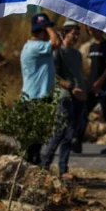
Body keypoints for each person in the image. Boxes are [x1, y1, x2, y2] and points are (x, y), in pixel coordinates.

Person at [41, 21, 86, 175]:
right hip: (64, 96)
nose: (76, 37)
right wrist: (71, 87)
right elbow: (54, 75)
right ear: (65, 33)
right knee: (60, 131)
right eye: (73, 33)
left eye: (78, 34)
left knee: (69, 134)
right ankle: (44, 164)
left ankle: (63, 168)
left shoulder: (77, 54)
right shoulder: (58, 52)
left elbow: (79, 74)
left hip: (78, 97)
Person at [21, 13, 61, 164]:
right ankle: (31, 163)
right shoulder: (36, 47)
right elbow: (56, 43)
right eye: (46, 31)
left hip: (38, 96)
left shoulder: (36, 47)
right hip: (35, 97)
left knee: (38, 136)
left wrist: (48, 28)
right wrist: (49, 27)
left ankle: (34, 162)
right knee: (34, 136)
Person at [84, 27, 106, 155]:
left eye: (94, 29)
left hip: (104, 87)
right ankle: (77, 141)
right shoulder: (92, 47)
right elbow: (92, 67)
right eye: (89, 30)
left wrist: (100, 82)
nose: (92, 31)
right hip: (91, 87)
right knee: (83, 112)